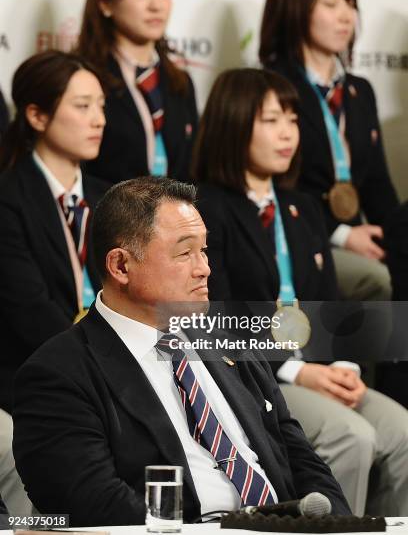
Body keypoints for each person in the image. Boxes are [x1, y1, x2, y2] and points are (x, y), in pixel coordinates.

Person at [13, 177, 350, 526]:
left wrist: (341, 528)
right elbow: (97, 507)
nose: (204, 267)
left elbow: (302, 460)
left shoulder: (227, 343)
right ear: (121, 266)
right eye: (185, 252)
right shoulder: (58, 375)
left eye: (203, 250)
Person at [192, 68, 408, 516]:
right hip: (255, 376)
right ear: (233, 124)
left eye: (292, 119)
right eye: (271, 120)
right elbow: (219, 319)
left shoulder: (303, 207)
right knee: (353, 436)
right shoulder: (206, 210)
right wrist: (297, 373)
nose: (287, 132)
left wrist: (342, 364)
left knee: (402, 432)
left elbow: (328, 306)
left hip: (317, 366)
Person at [259, 0, 399, 300]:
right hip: (295, 236)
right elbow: (274, 185)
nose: (346, 15)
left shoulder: (359, 91)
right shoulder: (271, 87)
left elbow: (378, 185)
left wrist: (396, 235)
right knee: (378, 281)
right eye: (331, 3)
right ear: (296, 6)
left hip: (358, 235)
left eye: (350, 3)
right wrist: (341, 234)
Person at [0, 50, 109, 414]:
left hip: (118, 374)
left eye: (101, 106)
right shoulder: (9, 199)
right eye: (82, 106)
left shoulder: (111, 198)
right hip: (36, 377)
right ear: (36, 115)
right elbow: (29, 310)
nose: (98, 120)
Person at [77, 0, 198, 184]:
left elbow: (191, 172)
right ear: (105, 3)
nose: (156, 5)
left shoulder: (181, 83)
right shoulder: (84, 77)